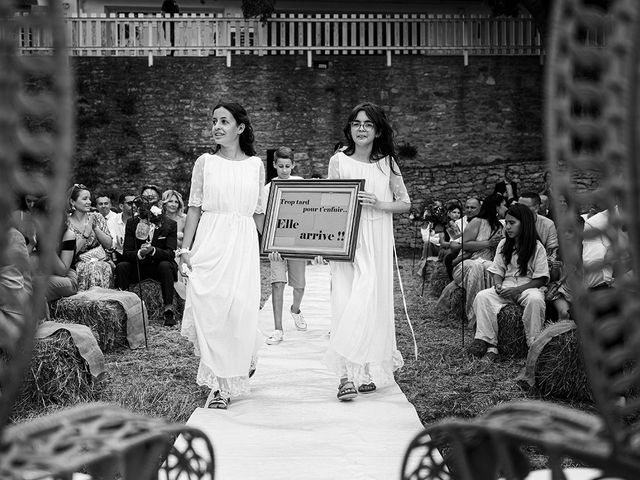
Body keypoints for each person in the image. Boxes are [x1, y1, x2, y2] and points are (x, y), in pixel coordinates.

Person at [179, 102, 265, 410]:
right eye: (214, 120)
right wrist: (184, 249)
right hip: (211, 240)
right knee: (212, 310)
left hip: (242, 243)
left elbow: (258, 212)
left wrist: (274, 243)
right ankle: (217, 386)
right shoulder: (205, 162)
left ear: (240, 128)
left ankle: (243, 358)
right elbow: (193, 207)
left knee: (239, 309)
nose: (216, 126)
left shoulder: (256, 165)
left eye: (224, 121)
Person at [325, 102, 411, 402]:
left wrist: (378, 203)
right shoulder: (338, 161)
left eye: (368, 124)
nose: (361, 129)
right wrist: (328, 245)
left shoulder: (387, 163)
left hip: (376, 236)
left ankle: (367, 371)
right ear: (349, 128)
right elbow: (331, 205)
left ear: (377, 130)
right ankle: (345, 376)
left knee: (372, 301)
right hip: (349, 238)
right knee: (347, 301)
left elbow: (405, 202)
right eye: (356, 123)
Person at [468, 204, 549, 362]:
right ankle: (488, 344)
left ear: (524, 223)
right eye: (507, 222)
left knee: (536, 300)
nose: (508, 226)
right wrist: (498, 285)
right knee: (483, 296)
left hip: (528, 286)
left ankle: (533, 346)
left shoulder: (537, 247)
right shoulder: (504, 244)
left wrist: (518, 290)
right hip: (507, 285)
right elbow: (498, 270)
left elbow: (540, 278)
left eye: (512, 223)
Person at [114, 185, 179, 327]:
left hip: (160, 268)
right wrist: (140, 253)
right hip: (139, 266)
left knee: (166, 265)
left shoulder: (170, 224)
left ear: (159, 202)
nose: (148, 202)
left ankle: (168, 310)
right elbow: (126, 253)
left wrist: (153, 250)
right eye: (145, 198)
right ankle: (124, 308)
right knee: (121, 266)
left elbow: (170, 253)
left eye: (152, 198)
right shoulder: (133, 222)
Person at [263, 147, 307, 345]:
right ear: (274, 165)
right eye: (280, 166)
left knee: (299, 285)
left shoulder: (300, 183)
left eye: (288, 166)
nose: (284, 170)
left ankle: (295, 309)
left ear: (294, 165)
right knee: (277, 283)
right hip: (277, 242)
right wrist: (269, 244)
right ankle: (278, 328)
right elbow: (264, 218)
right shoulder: (267, 189)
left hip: (297, 240)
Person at [450, 193, 507, 325]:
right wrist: (488, 243)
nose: (506, 208)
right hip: (467, 264)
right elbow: (464, 245)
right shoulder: (477, 222)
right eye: (504, 205)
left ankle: (489, 313)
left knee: (490, 267)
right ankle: (473, 315)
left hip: (488, 263)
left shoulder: (501, 226)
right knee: (477, 266)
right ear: (496, 208)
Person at [66, 184, 113, 291]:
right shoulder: (66, 223)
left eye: (89, 199)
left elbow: (109, 244)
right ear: (72, 202)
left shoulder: (97, 217)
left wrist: (95, 228)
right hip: (78, 262)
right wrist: (85, 234)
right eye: (84, 199)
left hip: (101, 259)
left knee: (100, 266)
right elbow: (70, 253)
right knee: (91, 268)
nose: (89, 202)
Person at [518, 191, 559, 263]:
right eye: (518, 206)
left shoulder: (548, 224)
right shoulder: (511, 223)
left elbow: (552, 251)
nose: (519, 210)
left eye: (524, 207)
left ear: (536, 208)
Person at [107, 193, 136, 262]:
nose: (134, 206)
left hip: (137, 255)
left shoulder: (141, 219)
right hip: (119, 256)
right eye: (130, 203)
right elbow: (113, 243)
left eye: (136, 203)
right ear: (121, 206)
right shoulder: (112, 220)